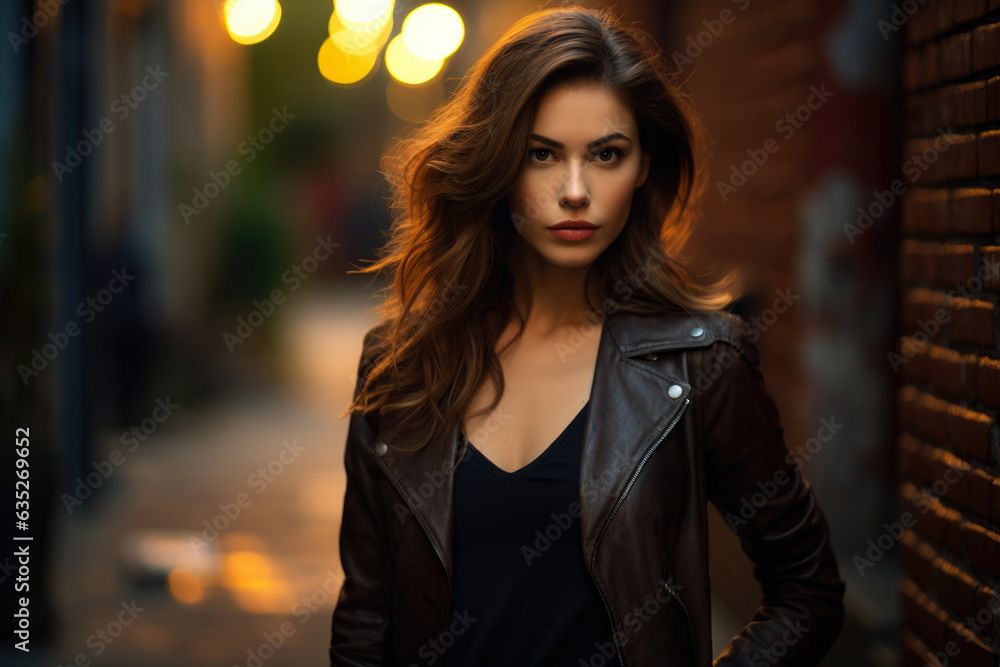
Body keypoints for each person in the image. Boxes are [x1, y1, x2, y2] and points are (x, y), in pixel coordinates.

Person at [329, 5, 846, 666]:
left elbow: (808, 590)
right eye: (542, 154)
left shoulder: (699, 364)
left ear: (643, 169)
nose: (575, 191)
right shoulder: (400, 367)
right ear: (496, 163)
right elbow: (366, 620)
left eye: (606, 154)